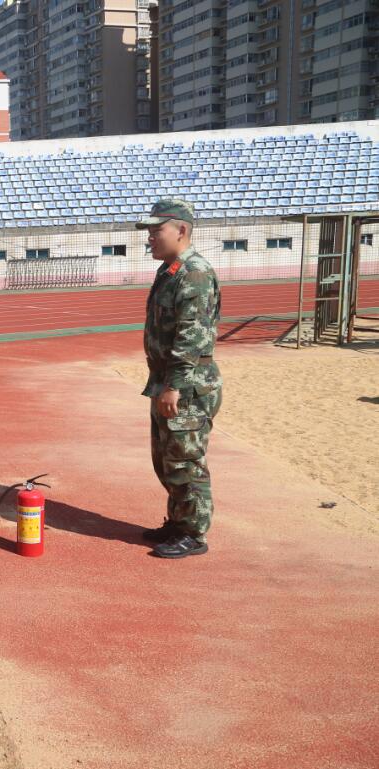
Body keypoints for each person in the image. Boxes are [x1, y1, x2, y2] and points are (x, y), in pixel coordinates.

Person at [137, 198, 222, 559]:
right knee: (167, 460)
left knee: (186, 462)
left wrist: (175, 385)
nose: (150, 237)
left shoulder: (194, 273)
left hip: (186, 386)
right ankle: (178, 522)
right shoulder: (171, 270)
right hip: (167, 382)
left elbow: (192, 335)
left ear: (181, 230)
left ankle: (193, 533)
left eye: (157, 230)